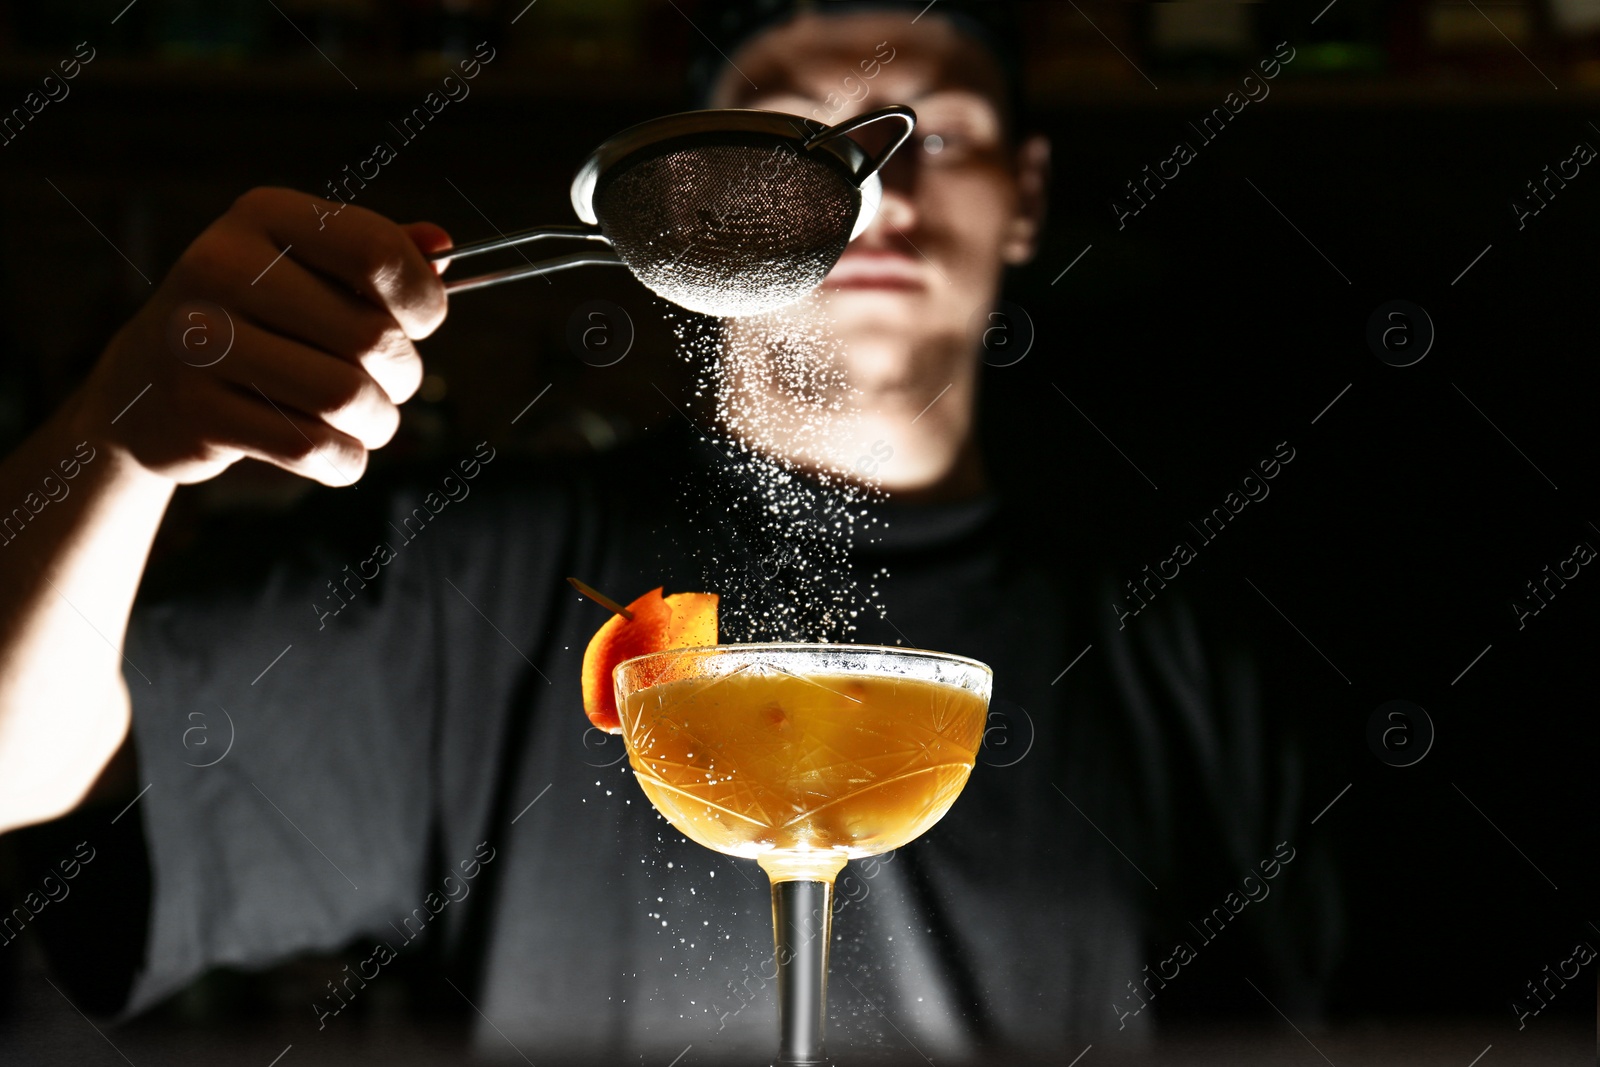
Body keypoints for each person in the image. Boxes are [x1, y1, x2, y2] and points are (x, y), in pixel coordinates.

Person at [0, 2, 1336, 1061]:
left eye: (933, 136)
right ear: (691, 193)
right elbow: (17, 768)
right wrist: (116, 440)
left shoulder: (1189, 644)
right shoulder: (482, 583)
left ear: (1027, 196)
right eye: (794, 146)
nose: (872, 196)